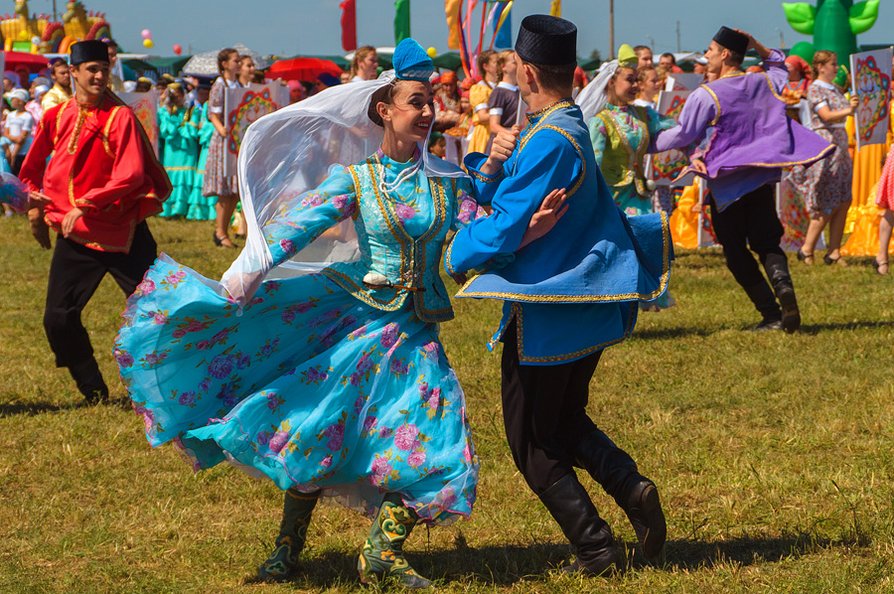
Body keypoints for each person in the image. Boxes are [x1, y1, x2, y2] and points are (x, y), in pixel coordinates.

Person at [113, 37, 564, 587]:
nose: (427, 112)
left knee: (439, 436)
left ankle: (381, 553)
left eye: (432, 102)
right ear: (385, 110)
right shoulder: (357, 181)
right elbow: (293, 229)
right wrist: (243, 276)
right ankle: (286, 550)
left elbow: (477, 239)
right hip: (352, 323)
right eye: (416, 102)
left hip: (414, 331)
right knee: (318, 432)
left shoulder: (449, 184)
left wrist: (525, 223)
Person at [445, 15, 672, 576]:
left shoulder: (551, 138)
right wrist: (492, 162)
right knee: (565, 420)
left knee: (532, 441)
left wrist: (454, 250)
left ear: (524, 71)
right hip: (579, 306)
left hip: (551, 310)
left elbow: (503, 226)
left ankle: (596, 547)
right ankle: (631, 488)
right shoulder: (563, 125)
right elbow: (513, 200)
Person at [19, 40, 170, 404]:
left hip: (124, 233)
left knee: (160, 316)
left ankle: (175, 387)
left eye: (104, 69)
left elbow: (132, 174)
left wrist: (85, 204)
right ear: (73, 72)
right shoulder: (57, 116)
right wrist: (35, 207)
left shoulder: (121, 118)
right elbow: (32, 167)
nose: (100, 76)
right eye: (92, 70)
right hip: (77, 235)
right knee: (57, 317)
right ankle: (92, 388)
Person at [653, 27, 832, 332]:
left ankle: (772, 314)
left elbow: (684, 133)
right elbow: (779, 65)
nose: (706, 54)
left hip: (727, 185)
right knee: (767, 243)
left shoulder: (706, 94)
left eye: (710, 49)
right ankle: (784, 288)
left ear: (724, 54)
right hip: (760, 179)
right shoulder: (763, 81)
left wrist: (646, 142)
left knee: (736, 253)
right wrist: (755, 43)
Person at [796, 50, 856, 266]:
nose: (835, 68)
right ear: (821, 67)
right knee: (826, 200)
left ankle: (834, 250)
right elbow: (826, 115)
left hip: (839, 144)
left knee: (844, 198)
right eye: (832, 64)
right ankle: (807, 248)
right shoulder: (815, 89)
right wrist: (850, 109)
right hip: (826, 144)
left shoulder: (835, 90)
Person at [204, 48, 241, 248]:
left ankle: (223, 231)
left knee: (234, 191)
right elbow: (213, 113)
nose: (238, 64)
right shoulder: (220, 84)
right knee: (225, 190)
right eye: (235, 60)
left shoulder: (237, 84)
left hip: (236, 141)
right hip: (224, 141)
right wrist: (223, 130)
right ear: (225, 63)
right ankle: (220, 232)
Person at [157, 83, 198, 218]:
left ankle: (182, 209)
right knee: (171, 179)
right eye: (173, 96)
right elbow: (164, 131)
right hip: (172, 151)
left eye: (178, 96)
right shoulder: (166, 111)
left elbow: (192, 132)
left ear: (183, 95)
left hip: (187, 151)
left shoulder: (192, 111)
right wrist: (167, 110)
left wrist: (180, 127)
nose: (176, 99)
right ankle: (168, 210)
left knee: (184, 180)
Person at [188, 81, 217, 221]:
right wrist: (215, 128)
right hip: (208, 146)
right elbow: (203, 125)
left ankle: (215, 212)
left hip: (220, 144)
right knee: (204, 174)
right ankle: (201, 212)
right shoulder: (207, 106)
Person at [467, 49, 499, 155]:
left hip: (499, 131)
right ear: (485, 66)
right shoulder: (480, 88)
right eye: (496, 62)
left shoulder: (500, 87)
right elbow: (482, 116)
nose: (500, 65)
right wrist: (505, 112)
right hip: (485, 134)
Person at [487, 50, 522, 143]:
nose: (519, 65)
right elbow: (494, 126)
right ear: (503, 67)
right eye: (515, 63)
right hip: (502, 143)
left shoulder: (519, 90)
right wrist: (510, 132)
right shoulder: (499, 92)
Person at [4, 88, 34, 174]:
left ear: (21, 101)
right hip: (10, 150)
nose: (12, 102)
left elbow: (22, 138)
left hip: (23, 151)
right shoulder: (10, 115)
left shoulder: (27, 116)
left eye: (14, 100)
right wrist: (14, 140)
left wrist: (14, 154)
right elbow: (6, 133)